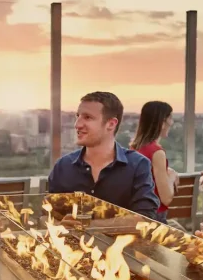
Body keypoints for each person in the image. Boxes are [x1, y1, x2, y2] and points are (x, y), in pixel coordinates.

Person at [47, 91, 160, 219]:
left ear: (111, 124)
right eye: (78, 116)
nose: (77, 124)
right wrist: (60, 224)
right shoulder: (63, 166)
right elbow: (49, 216)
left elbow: (145, 218)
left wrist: (88, 225)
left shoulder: (138, 165)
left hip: (120, 240)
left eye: (87, 117)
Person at [129, 100, 178, 223]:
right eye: (170, 118)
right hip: (155, 217)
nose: (171, 123)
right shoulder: (156, 152)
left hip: (138, 215)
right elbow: (166, 198)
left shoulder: (135, 148)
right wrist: (171, 177)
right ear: (162, 122)